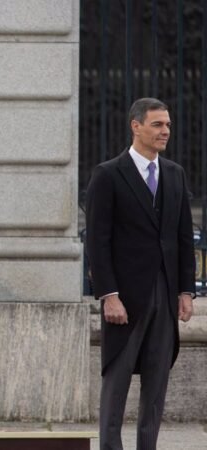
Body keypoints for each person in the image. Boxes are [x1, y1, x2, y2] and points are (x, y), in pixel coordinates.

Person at [86, 97, 195, 450]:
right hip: (125, 298)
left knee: (157, 380)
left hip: (164, 294)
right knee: (116, 382)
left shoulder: (175, 174)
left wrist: (184, 291)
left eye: (167, 124)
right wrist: (109, 295)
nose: (166, 131)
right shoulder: (108, 174)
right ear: (136, 126)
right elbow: (98, 241)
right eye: (157, 124)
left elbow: (181, 238)